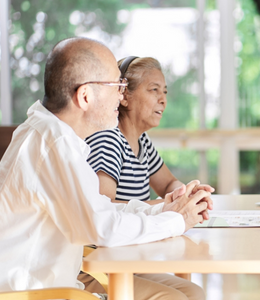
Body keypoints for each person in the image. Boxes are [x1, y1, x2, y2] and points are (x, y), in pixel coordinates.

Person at [0, 37, 212, 300]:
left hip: (53, 278)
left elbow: (98, 207)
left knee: (190, 292)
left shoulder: (51, 134)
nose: (121, 95)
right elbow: (102, 227)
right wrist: (176, 221)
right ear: (85, 95)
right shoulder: (56, 144)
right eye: (117, 85)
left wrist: (162, 210)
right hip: (27, 291)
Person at [80, 56, 212, 299]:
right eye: (153, 90)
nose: (163, 99)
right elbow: (103, 208)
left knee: (194, 293)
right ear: (125, 96)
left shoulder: (141, 142)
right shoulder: (108, 140)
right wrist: (170, 208)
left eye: (164, 91)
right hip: (97, 265)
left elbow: (168, 184)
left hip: (125, 258)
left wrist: (186, 194)